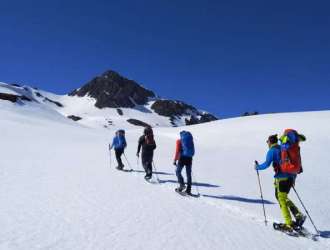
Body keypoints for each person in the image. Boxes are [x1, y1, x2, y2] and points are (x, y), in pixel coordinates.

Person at [255, 134, 306, 232]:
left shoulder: (272, 151)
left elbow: (266, 164)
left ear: (270, 142)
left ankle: (289, 223)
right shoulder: (283, 149)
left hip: (281, 178)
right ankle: (298, 216)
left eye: (267, 141)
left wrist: (257, 167)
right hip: (291, 177)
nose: (267, 143)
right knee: (281, 197)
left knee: (281, 198)